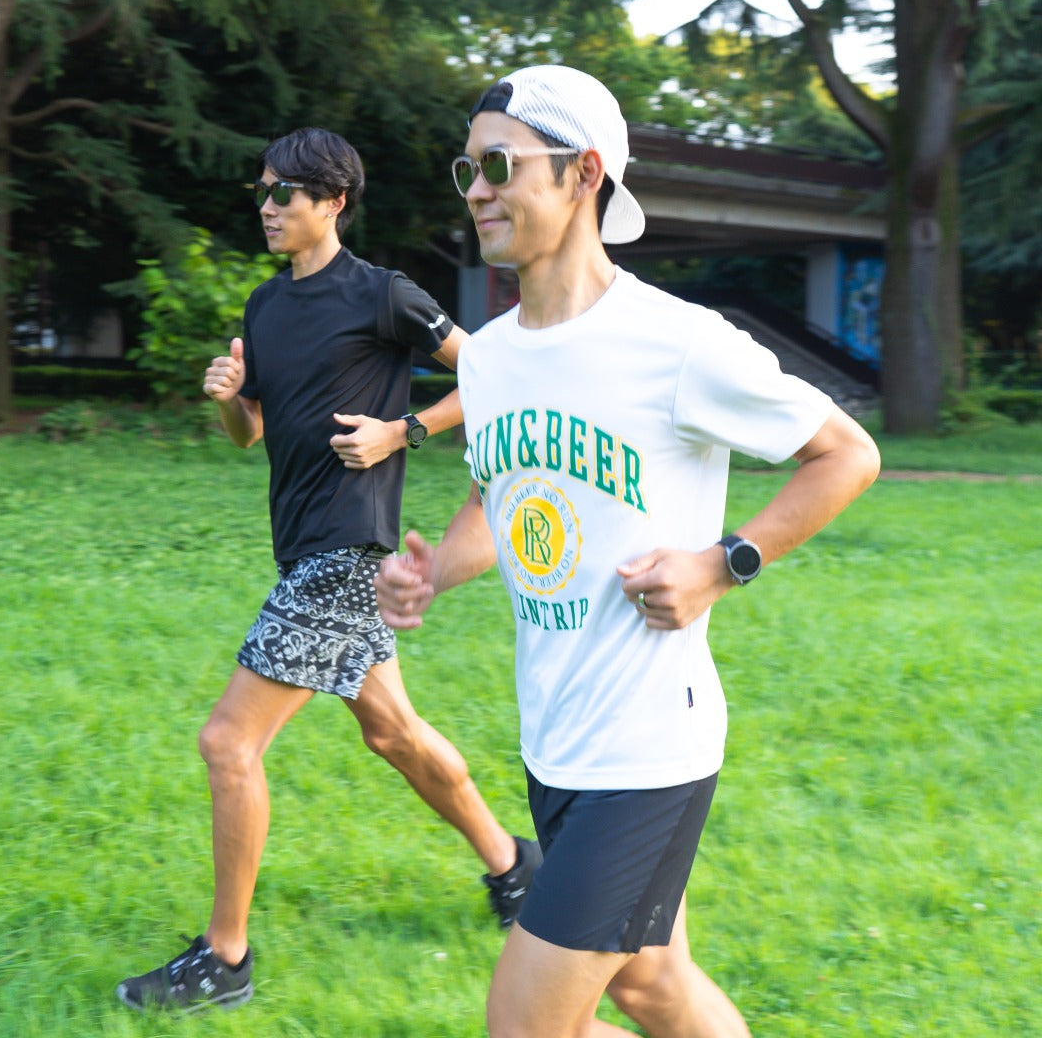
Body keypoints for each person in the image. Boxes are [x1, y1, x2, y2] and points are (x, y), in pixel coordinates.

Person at [373, 65, 882, 1037]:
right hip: (556, 734)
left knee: (524, 1024)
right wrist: (433, 571)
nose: (476, 188)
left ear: (582, 175)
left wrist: (719, 563)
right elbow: (504, 502)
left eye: (498, 164)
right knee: (651, 989)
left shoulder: (678, 343)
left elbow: (845, 455)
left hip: (649, 745)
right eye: (467, 168)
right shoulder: (488, 356)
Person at [115, 127, 540, 1014]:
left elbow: (498, 378)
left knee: (228, 743)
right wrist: (233, 401)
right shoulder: (266, 307)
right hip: (304, 541)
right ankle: (514, 866)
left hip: (349, 549)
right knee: (393, 733)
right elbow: (255, 433)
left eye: (285, 194)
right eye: (264, 192)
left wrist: (403, 431)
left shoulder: (383, 295)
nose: (268, 207)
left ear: (333, 202)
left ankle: (224, 961)